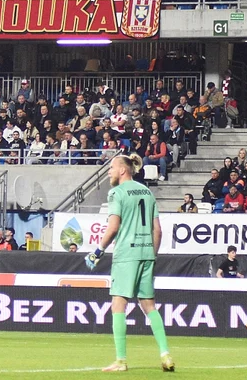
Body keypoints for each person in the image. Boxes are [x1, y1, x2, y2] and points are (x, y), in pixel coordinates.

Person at [85, 154, 173, 372]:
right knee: (149, 306)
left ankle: (121, 360)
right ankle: (165, 354)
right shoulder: (147, 192)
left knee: (118, 304)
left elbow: (113, 227)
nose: (109, 172)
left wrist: (97, 251)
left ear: (123, 170)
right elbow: (158, 230)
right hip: (146, 253)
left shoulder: (117, 193)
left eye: (112, 168)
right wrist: (151, 254)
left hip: (127, 253)